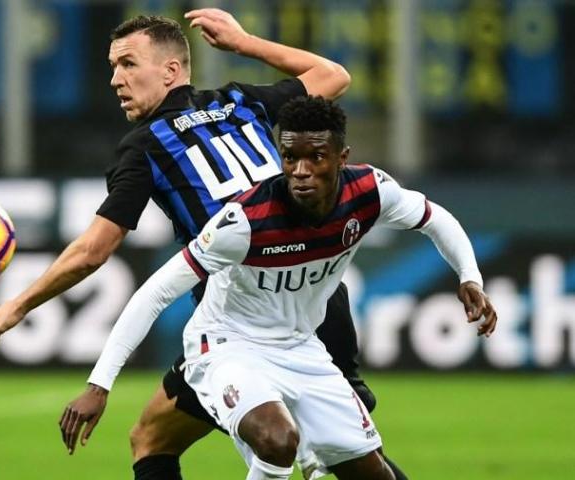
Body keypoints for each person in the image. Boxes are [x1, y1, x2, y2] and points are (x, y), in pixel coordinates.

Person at [0, 9, 405, 479]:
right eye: (112, 67)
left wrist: (19, 303)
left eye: (127, 64)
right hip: (321, 299)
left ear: (171, 70)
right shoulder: (241, 101)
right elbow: (333, 75)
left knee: (164, 441)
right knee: (351, 462)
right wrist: (244, 43)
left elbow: (92, 251)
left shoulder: (146, 145)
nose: (115, 80)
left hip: (242, 319)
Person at [60, 96, 498, 479]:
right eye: (290, 159)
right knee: (277, 439)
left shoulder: (370, 192)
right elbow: (154, 293)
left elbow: (435, 218)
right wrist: (99, 386)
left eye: (316, 158)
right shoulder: (244, 222)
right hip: (227, 346)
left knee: (372, 472)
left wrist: (469, 276)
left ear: (341, 157)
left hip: (302, 349)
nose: (301, 172)